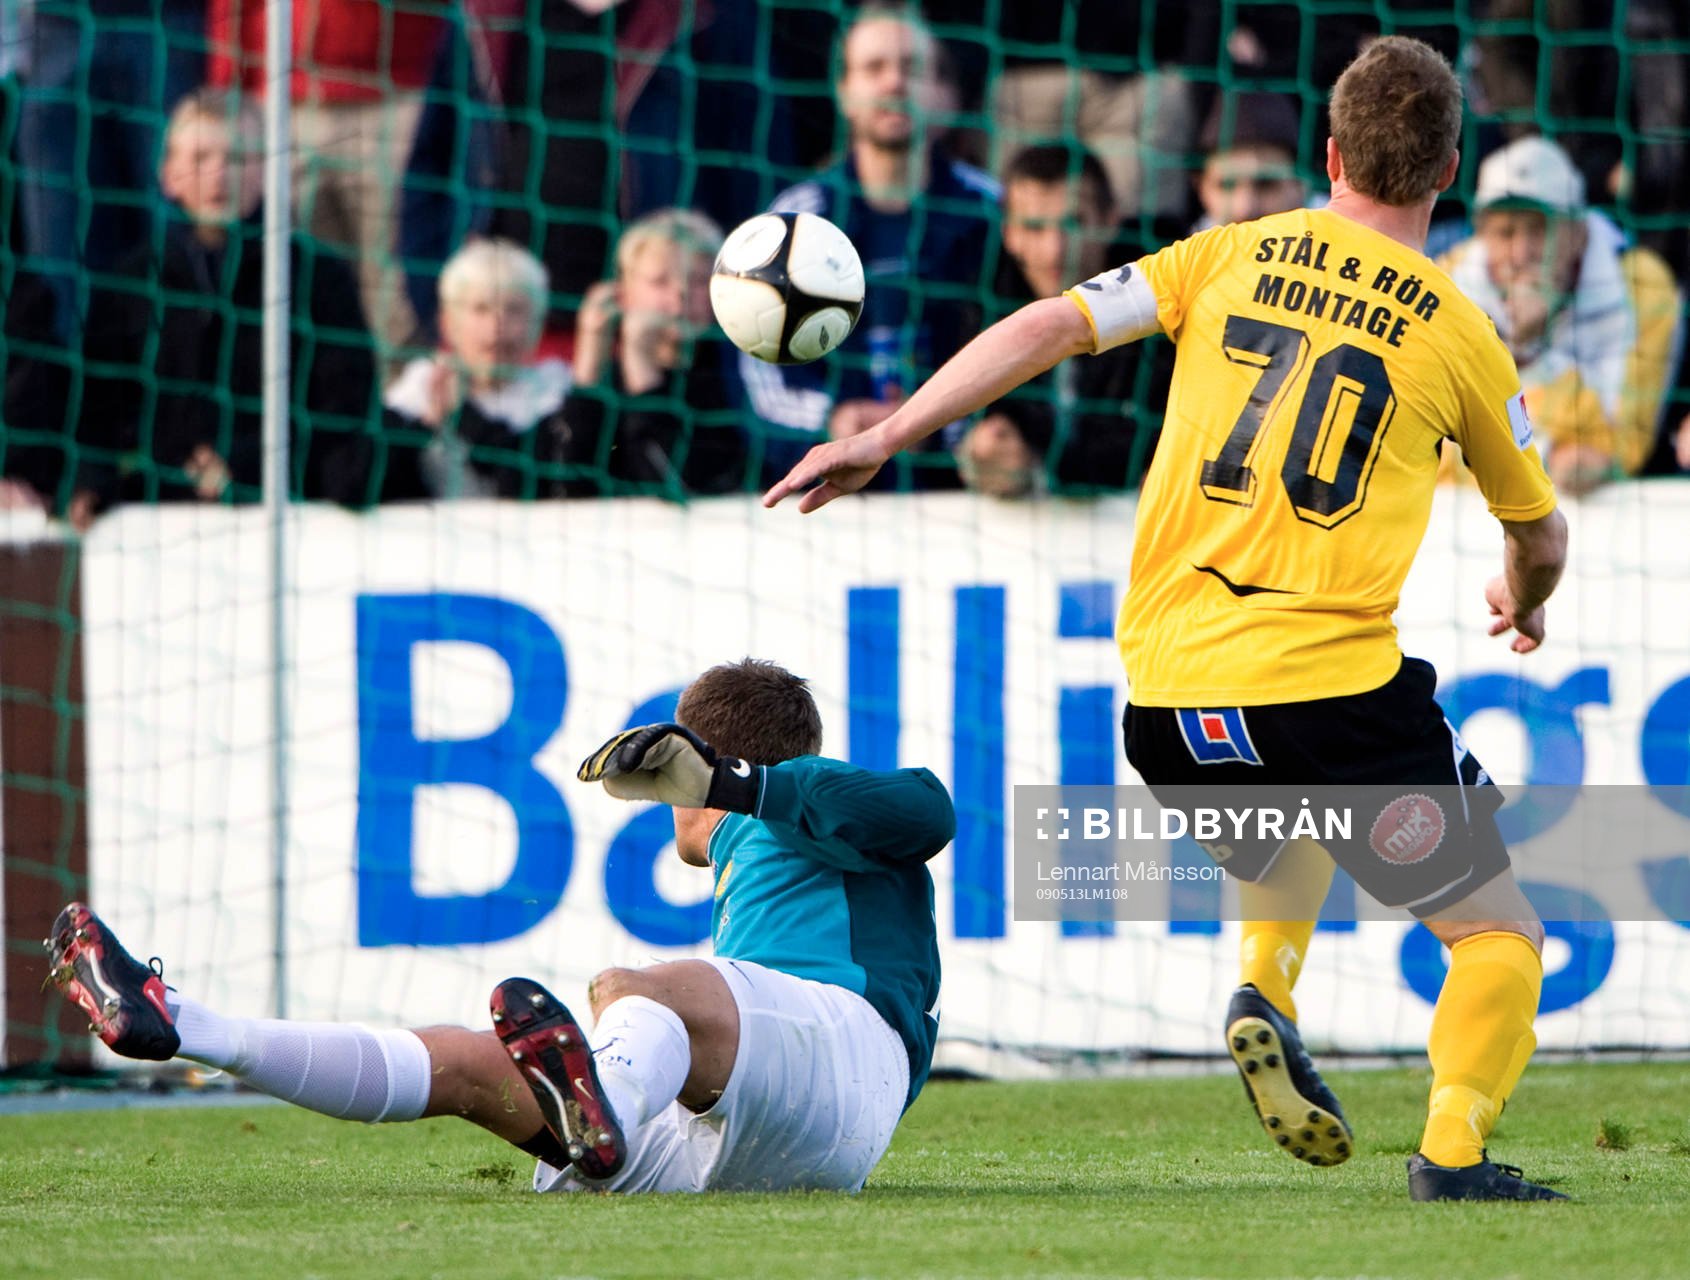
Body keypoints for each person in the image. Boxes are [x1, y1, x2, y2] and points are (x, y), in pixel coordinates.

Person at [766, 36, 1572, 1203]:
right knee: (1498, 934)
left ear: (1329, 154)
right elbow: (1539, 533)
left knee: (1289, 823)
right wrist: (1523, 597)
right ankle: (1452, 1154)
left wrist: (886, 435)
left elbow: (1049, 325)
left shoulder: (1228, 251)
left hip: (1168, 699)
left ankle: (1265, 989)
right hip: (1333, 694)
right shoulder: (1458, 329)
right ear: (1449, 167)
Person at [46, 659, 954, 1195]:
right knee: (468, 1065)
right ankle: (186, 1024)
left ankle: (604, 1110)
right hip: (758, 1142)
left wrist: (733, 782)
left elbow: (931, 810)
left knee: (632, 990)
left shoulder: (803, 805)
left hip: (849, 1063)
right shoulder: (758, 849)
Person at [78, 90, 378, 511]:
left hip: (286, 508)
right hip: (160, 513)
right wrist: (93, 484)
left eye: (237, 158)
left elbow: (345, 413)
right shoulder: (130, 282)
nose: (219, 175)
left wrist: (242, 465)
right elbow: (97, 412)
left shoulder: (318, 276)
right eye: (201, 159)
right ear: (169, 175)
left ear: (267, 171)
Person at [740, 5, 998, 491]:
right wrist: (835, 420)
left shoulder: (992, 211)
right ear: (844, 91)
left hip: (968, 494)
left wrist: (944, 425)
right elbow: (758, 376)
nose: (894, 82)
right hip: (828, 501)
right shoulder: (793, 223)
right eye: (874, 68)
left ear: (939, 90)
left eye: (911, 68)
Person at [1437, 135, 1683, 496]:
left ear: (1578, 232)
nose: (1521, 253)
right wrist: (1551, 455)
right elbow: (1430, 451)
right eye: (1505, 232)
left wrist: (1534, 356)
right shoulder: (1445, 283)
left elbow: (1622, 444)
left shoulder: (1642, 286)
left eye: (1539, 230)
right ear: (1482, 235)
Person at [991, 143, 1168, 491]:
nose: (1055, 249)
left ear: (1110, 220)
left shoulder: (1161, 307)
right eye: (1034, 227)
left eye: (1073, 223)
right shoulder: (982, 304)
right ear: (1009, 234)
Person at [563, 208, 749, 498]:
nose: (680, 294)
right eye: (660, 281)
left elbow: (684, 483)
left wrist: (642, 369)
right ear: (623, 291)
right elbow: (565, 482)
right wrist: (588, 364)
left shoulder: (736, 378)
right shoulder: (607, 385)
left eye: (697, 280)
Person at [382, 238, 572, 500]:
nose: (496, 325)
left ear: (538, 323)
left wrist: (463, 416)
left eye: (513, 310)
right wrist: (425, 425)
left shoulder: (558, 390)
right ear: (447, 323)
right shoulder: (418, 388)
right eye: (480, 309)